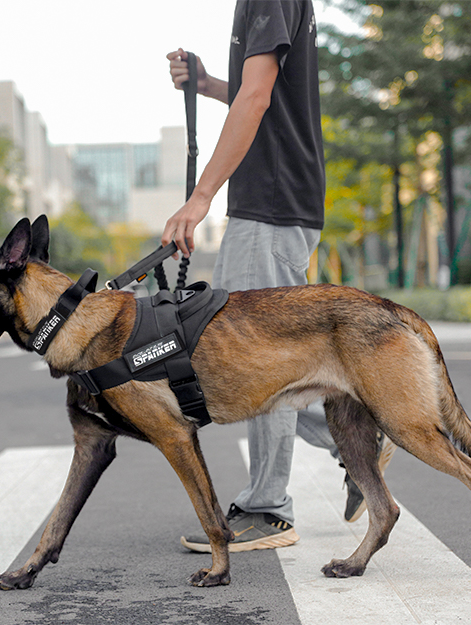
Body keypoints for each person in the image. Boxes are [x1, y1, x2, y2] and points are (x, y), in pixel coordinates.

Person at [164, 0, 366, 553]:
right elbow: (262, 91)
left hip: (271, 207)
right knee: (228, 358)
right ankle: (352, 440)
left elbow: (257, 98)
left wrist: (199, 196)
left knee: (255, 359)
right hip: (269, 204)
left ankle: (268, 508)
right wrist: (205, 84)